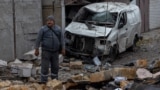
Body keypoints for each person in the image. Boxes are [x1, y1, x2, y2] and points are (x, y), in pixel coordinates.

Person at [34, 15, 65, 83]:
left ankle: (54, 81)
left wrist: (63, 48)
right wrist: (36, 49)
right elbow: (38, 40)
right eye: (48, 20)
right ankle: (44, 82)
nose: (49, 22)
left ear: (54, 22)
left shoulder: (58, 29)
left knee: (55, 66)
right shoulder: (43, 29)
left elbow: (62, 39)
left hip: (55, 52)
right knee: (45, 67)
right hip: (46, 51)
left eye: (51, 20)